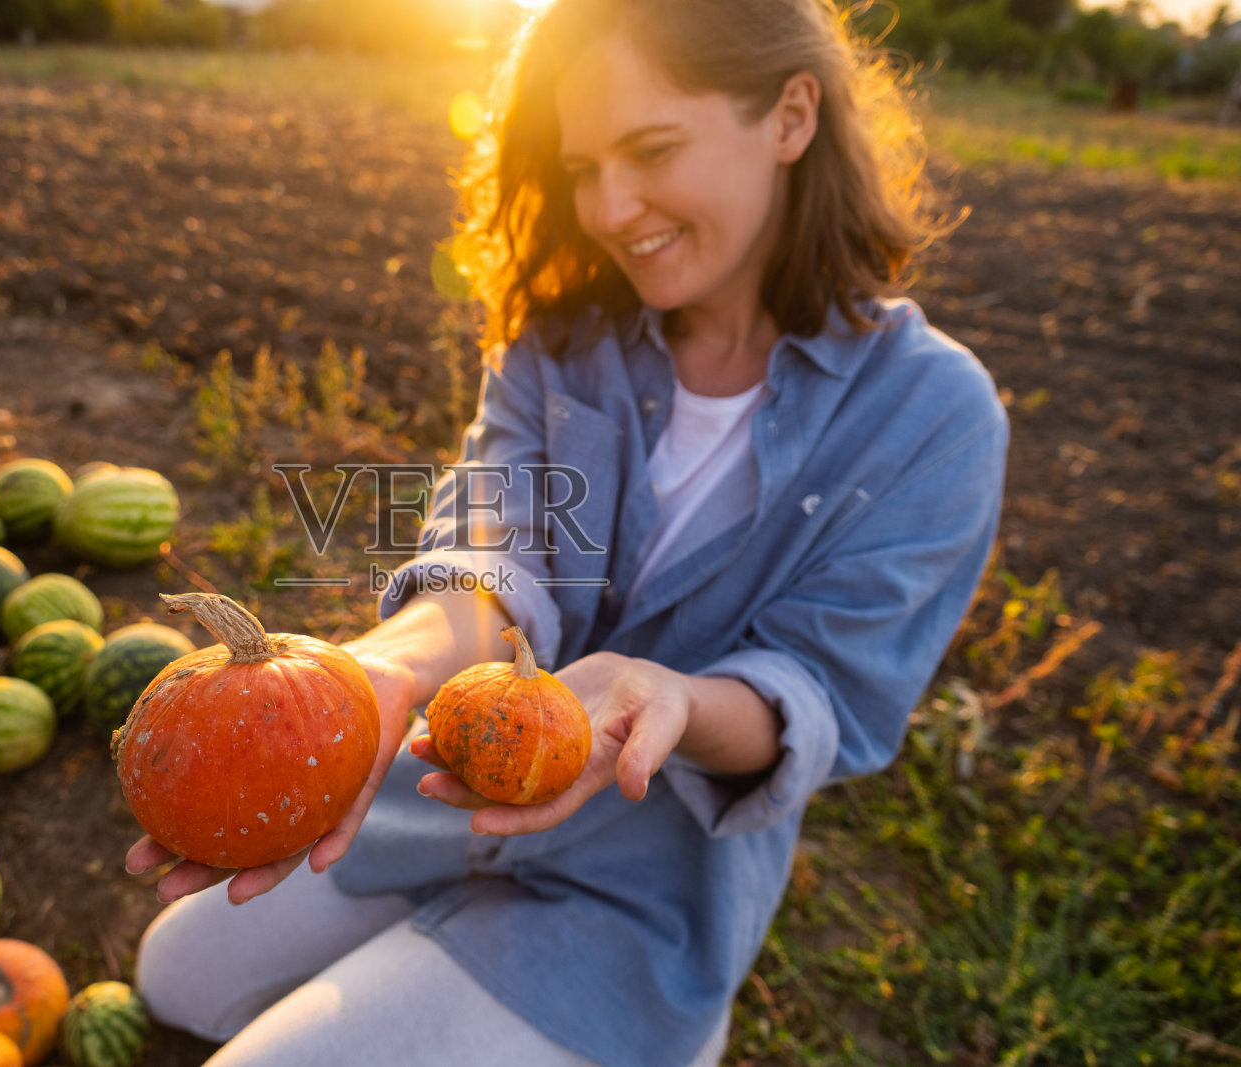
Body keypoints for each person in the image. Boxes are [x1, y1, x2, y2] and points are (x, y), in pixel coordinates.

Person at [127, 0, 1009, 1063]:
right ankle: (428, 956)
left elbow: (825, 689)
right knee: (173, 971)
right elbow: (499, 541)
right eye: (580, 164)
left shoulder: (930, 414)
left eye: (650, 150)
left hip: (642, 880)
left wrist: (673, 700)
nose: (606, 204)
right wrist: (375, 674)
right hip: (454, 788)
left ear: (788, 114)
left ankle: (629, 1019)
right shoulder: (566, 341)